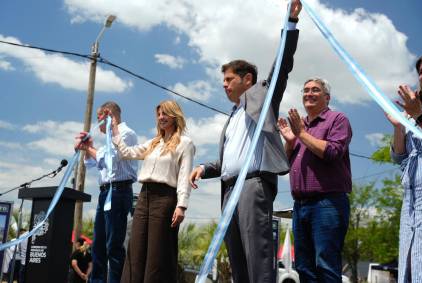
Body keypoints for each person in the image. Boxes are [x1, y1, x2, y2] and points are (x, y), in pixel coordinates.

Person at [189, 2, 302, 282]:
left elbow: (282, 66)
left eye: (229, 79)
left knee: (257, 256)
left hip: (253, 185)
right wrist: (205, 168)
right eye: (223, 80)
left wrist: (290, 22)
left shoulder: (262, 96)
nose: (224, 85)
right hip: (228, 190)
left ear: (247, 79)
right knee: (237, 258)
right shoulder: (233, 115)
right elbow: (229, 159)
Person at [110, 100, 195, 283]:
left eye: (165, 113)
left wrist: (182, 205)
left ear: (174, 116)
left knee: (158, 251)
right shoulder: (153, 143)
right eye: (158, 114)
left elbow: (184, 177)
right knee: (136, 247)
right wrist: (115, 130)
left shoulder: (185, 144)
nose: (161, 117)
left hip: (165, 199)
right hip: (144, 196)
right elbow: (126, 153)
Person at [278, 77, 352, 282]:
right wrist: (291, 142)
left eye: (315, 90)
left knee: (325, 264)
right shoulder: (300, 126)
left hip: (327, 203)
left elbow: (332, 153)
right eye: (305, 90)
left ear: (327, 98)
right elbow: (284, 167)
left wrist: (301, 134)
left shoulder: (338, 119)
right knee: (304, 267)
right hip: (300, 206)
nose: (308, 93)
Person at [74, 101, 138, 283]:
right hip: (106, 193)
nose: (97, 122)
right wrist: (88, 148)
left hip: (119, 192)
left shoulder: (126, 133)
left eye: (99, 118)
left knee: (113, 246)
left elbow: (110, 160)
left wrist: (88, 148)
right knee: (99, 246)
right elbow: (91, 162)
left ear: (108, 115)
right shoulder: (108, 139)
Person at [386, 55, 422, 283]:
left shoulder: (416, 110)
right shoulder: (412, 107)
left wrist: (419, 115)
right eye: (420, 70)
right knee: (411, 262)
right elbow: (399, 156)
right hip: (411, 195)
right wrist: (399, 128)